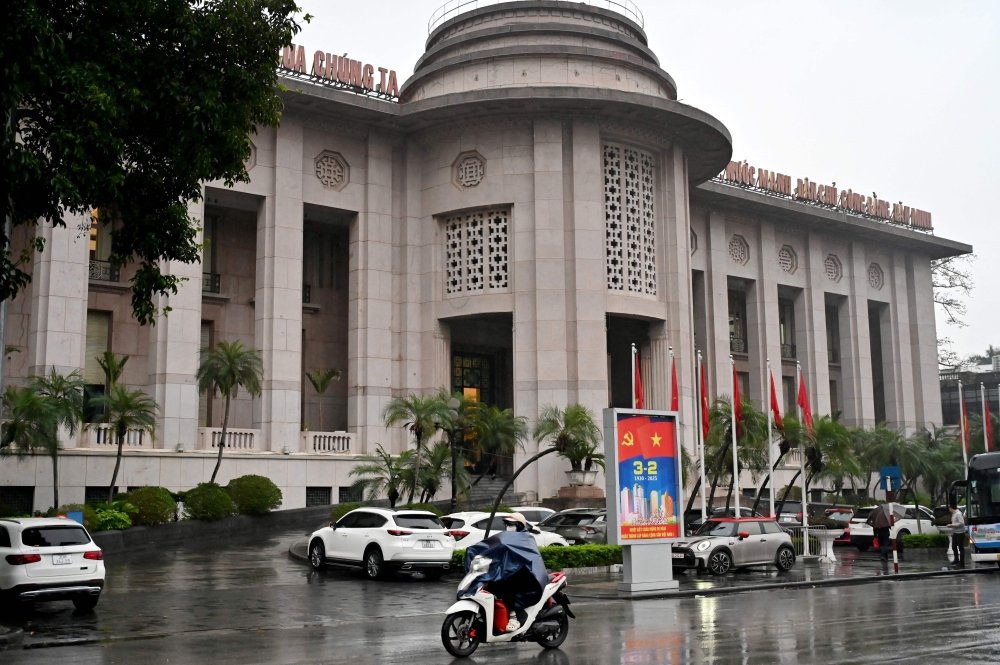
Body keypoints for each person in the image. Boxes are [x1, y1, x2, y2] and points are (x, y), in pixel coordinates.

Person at [488, 513, 538, 633]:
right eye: (507, 524)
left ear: (519, 525)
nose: (508, 527)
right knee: (490, 584)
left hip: (526, 575)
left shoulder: (526, 538)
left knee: (505, 585)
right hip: (510, 572)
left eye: (511, 524)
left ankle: (513, 616)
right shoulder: (506, 538)